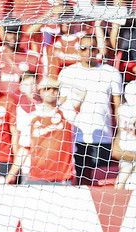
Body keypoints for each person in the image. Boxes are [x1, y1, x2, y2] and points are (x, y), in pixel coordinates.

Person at [58, 34, 122, 185]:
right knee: (80, 184)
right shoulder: (67, 73)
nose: (88, 52)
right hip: (76, 139)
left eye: (92, 48)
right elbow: (60, 105)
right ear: (78, 50)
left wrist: (118, 135)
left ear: (97, 51)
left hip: (103, 138)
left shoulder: (110, 72)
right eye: (83, 48)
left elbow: (117, 106)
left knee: (101, 184)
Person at [6, 77, 77, 185]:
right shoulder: (32, 117)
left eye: (54, 89)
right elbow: (24, 149)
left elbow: (82, 93)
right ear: (40, 92)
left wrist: (59, 84)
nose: (51, 91)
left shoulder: (67, 114)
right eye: (46, 89)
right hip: (36, 177)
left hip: (62, 178)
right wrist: (11, 174)